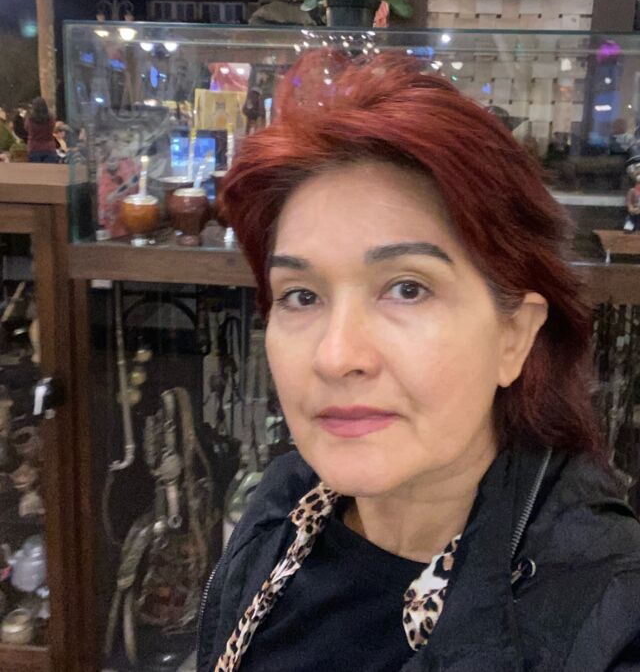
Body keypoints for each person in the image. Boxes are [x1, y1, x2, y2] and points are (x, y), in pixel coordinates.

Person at [197, 53, 640, 672]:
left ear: (514, 336)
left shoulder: (608, 615)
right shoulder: (284, 505)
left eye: (407, 289)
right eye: (301, 296)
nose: (336, 356)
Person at [25, 97, 57, 164]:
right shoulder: (51, 119)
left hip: (34, 148)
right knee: (50, 170)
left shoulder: (30, 119)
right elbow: (53, 128)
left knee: (35, 170)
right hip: (49, 148)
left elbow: (26, 128)